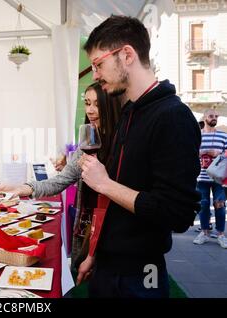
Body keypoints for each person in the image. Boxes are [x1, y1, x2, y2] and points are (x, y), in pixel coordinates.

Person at [78, 15, 201, 298]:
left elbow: (177, 213)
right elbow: (117, 201)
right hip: (109, 265)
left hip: (140, 274)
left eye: (98, 64)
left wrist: (104, 183)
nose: (95, 75)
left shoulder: (173, 116)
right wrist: (96, 253)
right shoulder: (130, 113)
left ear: (127, 55)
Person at [0, 82, 121, 270]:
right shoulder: (86, 144)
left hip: (114, 233)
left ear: (109, 105)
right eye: (87, 103)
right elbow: (61, 180)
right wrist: (25, 187)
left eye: (97, 104)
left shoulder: (121, 144)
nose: (91, 110)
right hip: (87, 227)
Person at [193, 109, 227, 248]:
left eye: (216, 116)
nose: (214, 118)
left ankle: (221, 234)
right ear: (205, 118)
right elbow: (190, 152)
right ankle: (205, 233)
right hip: (201, 177)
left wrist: (221, 153)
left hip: (219, 177)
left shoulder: (223, 136)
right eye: (211, 116)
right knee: (203, 205)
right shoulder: (197, 136)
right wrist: (202, 152)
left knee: (220, 204)